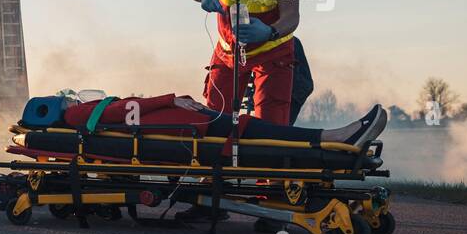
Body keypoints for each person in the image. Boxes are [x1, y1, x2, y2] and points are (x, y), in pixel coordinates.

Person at [56, 93, 387, 147]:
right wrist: (170, 99)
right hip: (190, 127)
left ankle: (334, 137)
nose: (74, 98)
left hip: (191, 123)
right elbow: (124, 108)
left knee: (261, 131)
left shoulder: (82, 113)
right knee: (262, 132)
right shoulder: (73, 114)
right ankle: (334, 138)